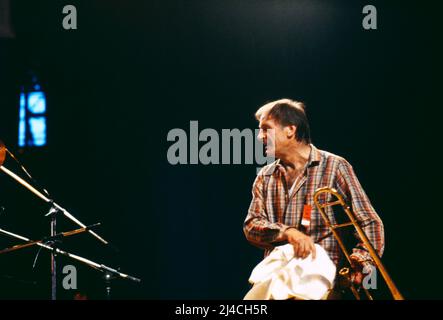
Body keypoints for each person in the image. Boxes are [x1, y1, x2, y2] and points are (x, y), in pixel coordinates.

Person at [243, 98, 384, 296]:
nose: (260, 137)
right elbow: (251, 226)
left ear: (290, 130)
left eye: (266, 129)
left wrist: (360, 262)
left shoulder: (335, 166)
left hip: (322, 280)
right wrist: (288, 232)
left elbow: (370, 222)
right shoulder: (265, 176)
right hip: (278, 276)